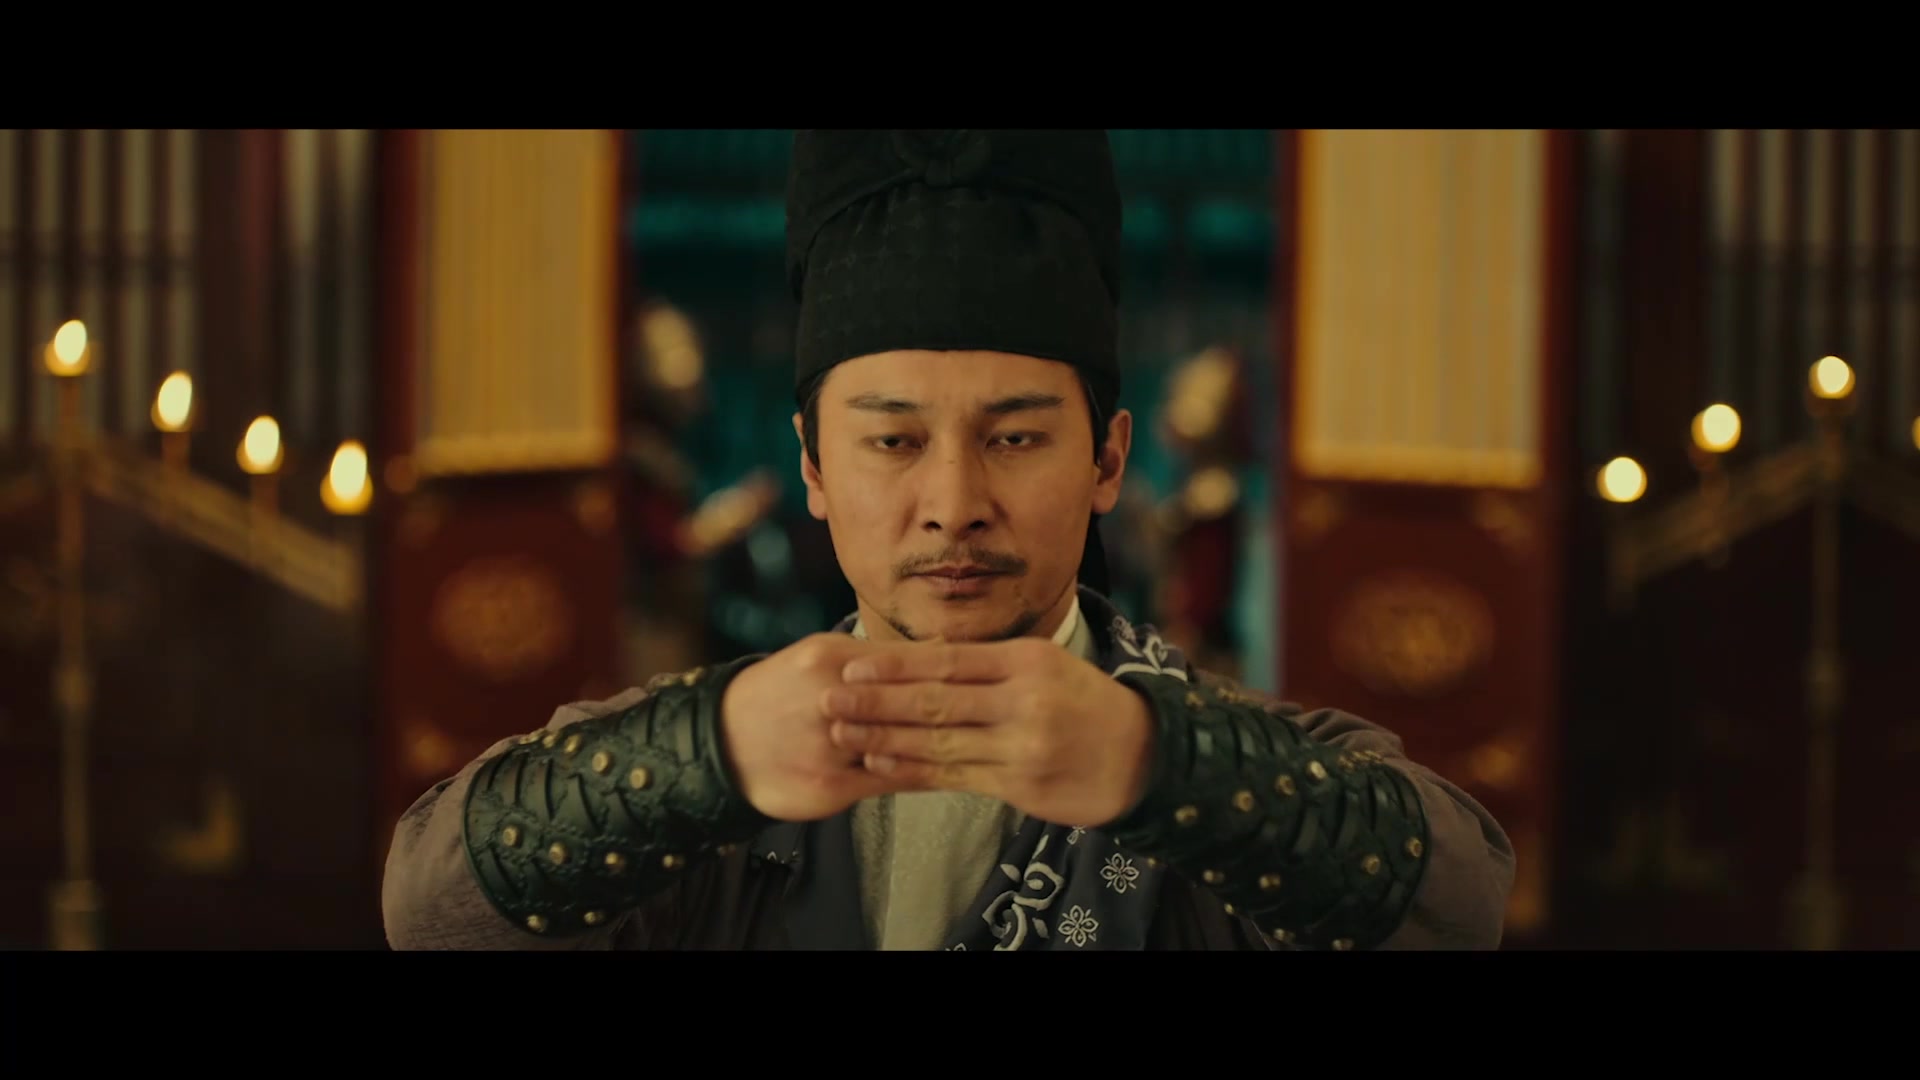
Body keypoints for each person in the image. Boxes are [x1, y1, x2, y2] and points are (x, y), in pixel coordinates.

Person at [381, 130, 1515, 951]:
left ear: (1109, 460)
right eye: (892, 441)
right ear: (812, 467)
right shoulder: (717, 764)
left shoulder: (1223, 763)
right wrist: (710, 755)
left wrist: (1157, 761)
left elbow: (1461, 902)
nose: (954, 502)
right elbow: (427, 909)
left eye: (1015, 438)